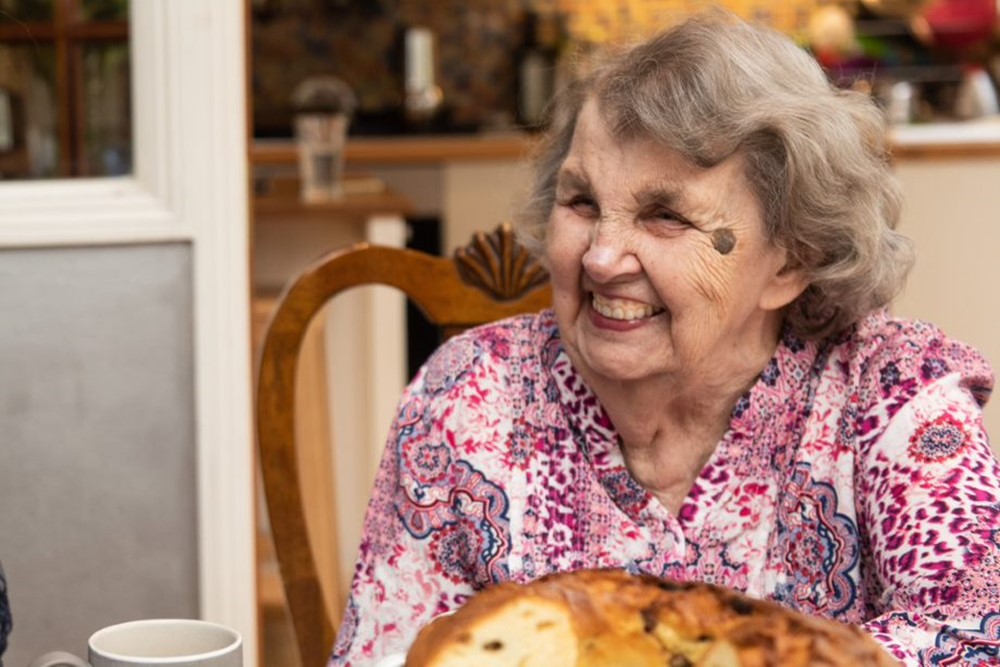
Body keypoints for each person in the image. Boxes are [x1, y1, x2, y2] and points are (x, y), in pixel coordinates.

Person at [331, 10, 999, 666]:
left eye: (665, 215)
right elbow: (386, 652)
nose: (600, 257)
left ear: (790, 259)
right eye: (581, 202)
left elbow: (977, 635)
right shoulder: (468, 395)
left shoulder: (896, 396)